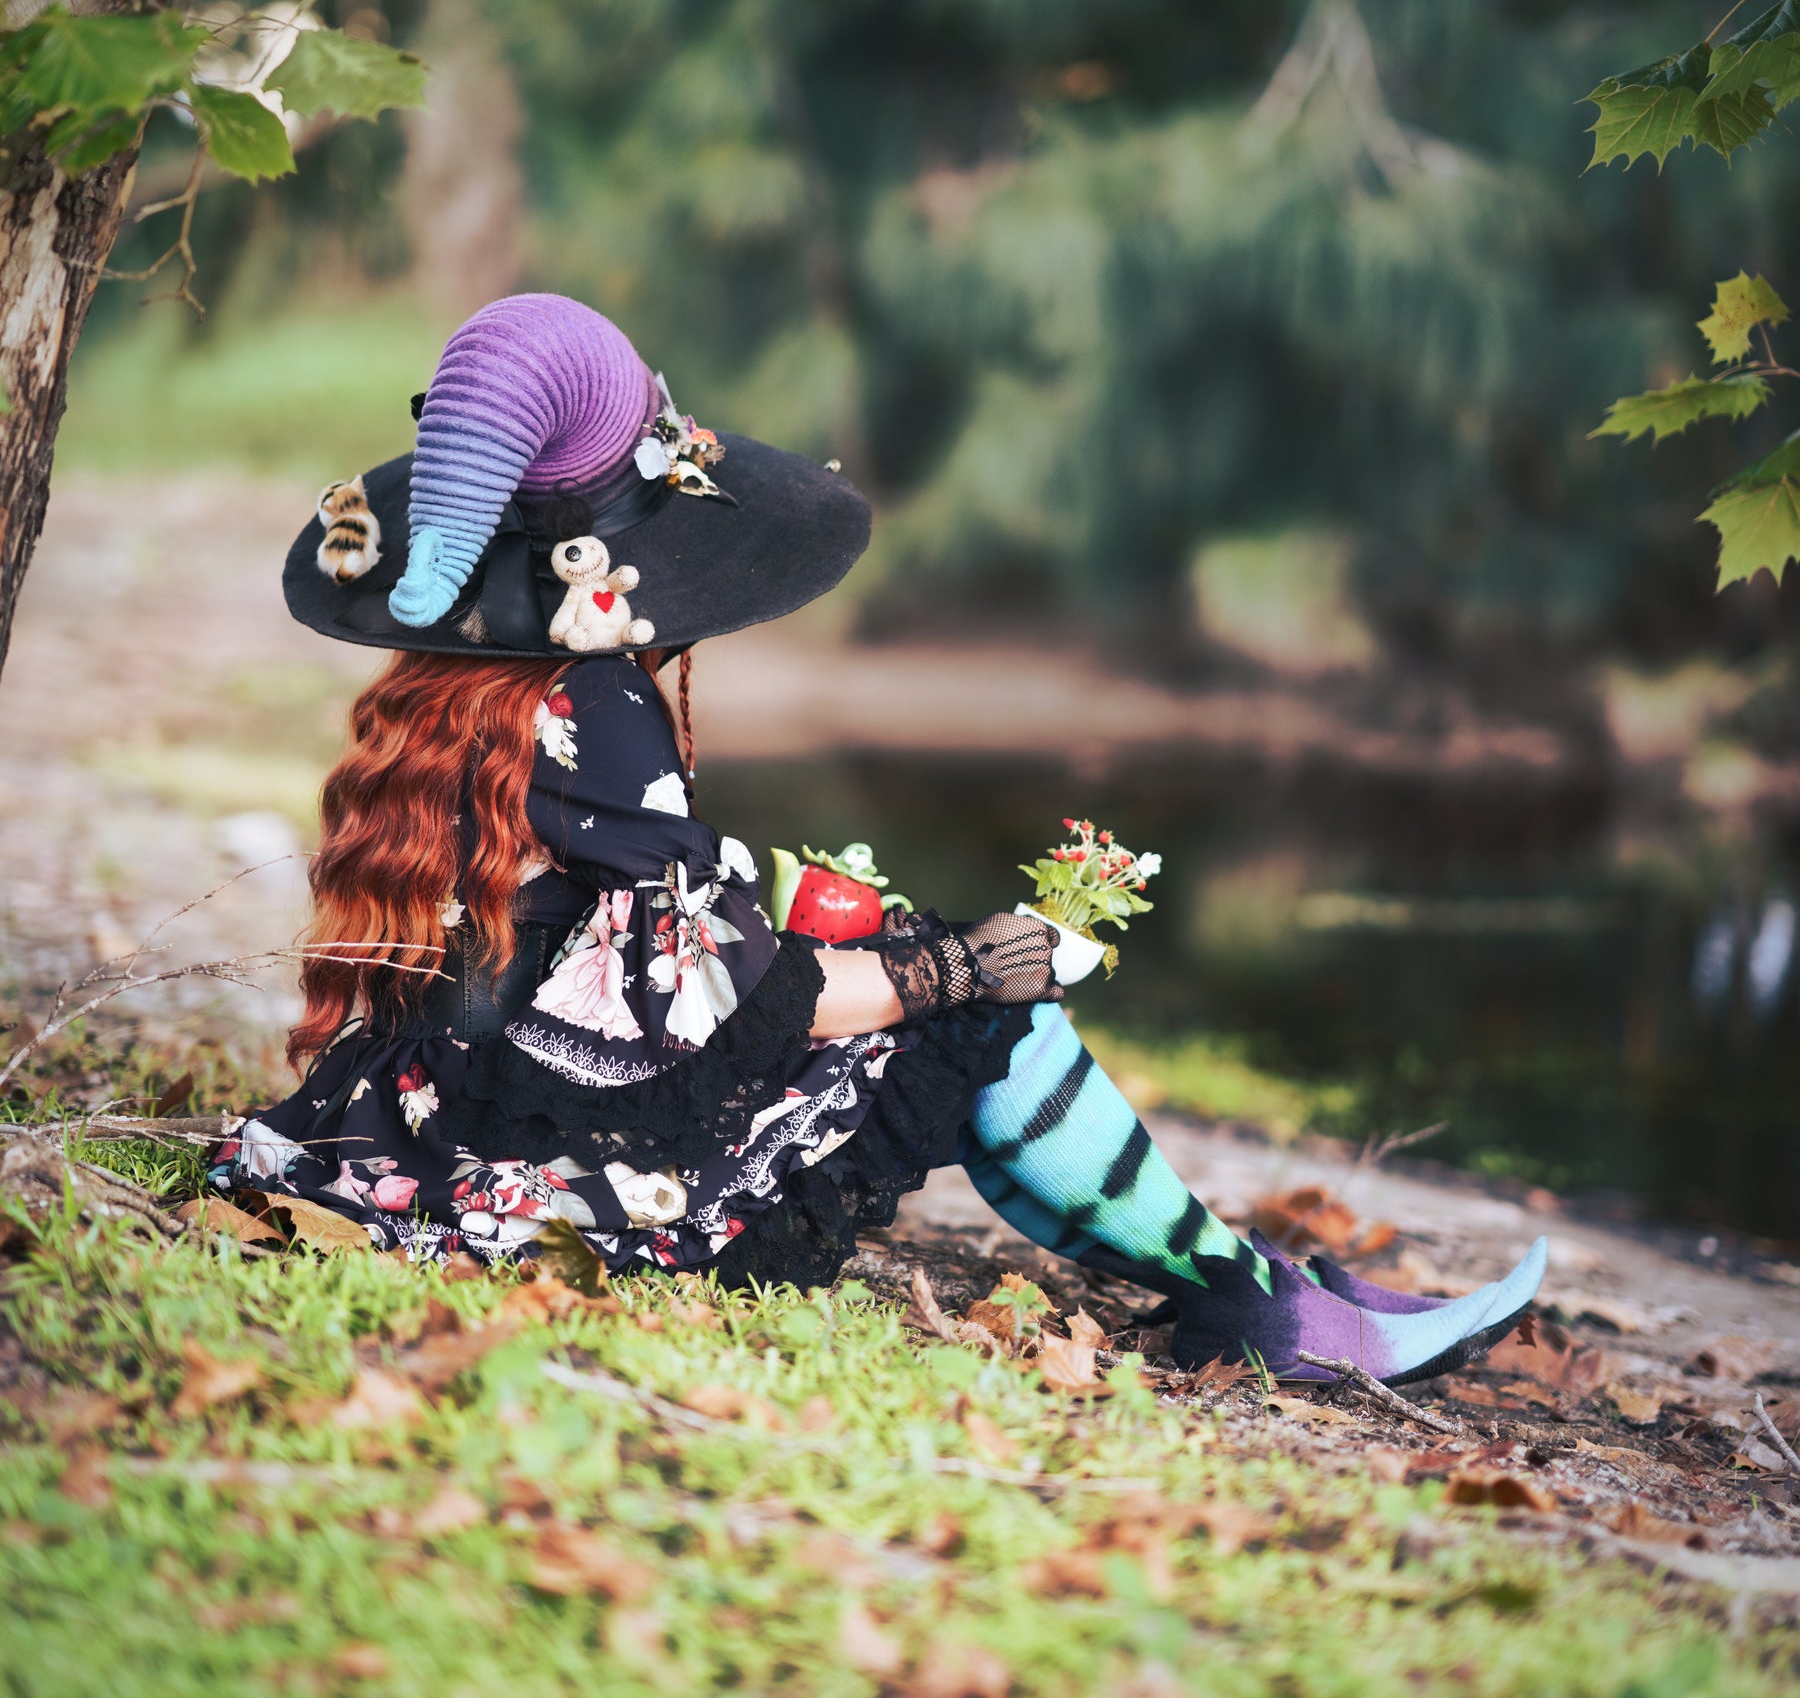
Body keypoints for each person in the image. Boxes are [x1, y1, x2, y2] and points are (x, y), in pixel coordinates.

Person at [212, 294, 1545, 1384]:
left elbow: (632, 921)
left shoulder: (444, 686)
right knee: (994, 1026)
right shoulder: (599, 708)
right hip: (550, 1170)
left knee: (939, 990)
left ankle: (1229, 1279)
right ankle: (1269, 1313)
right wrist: (964, 967)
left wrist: (864, 934)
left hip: (439, 1104)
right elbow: (710, 994)